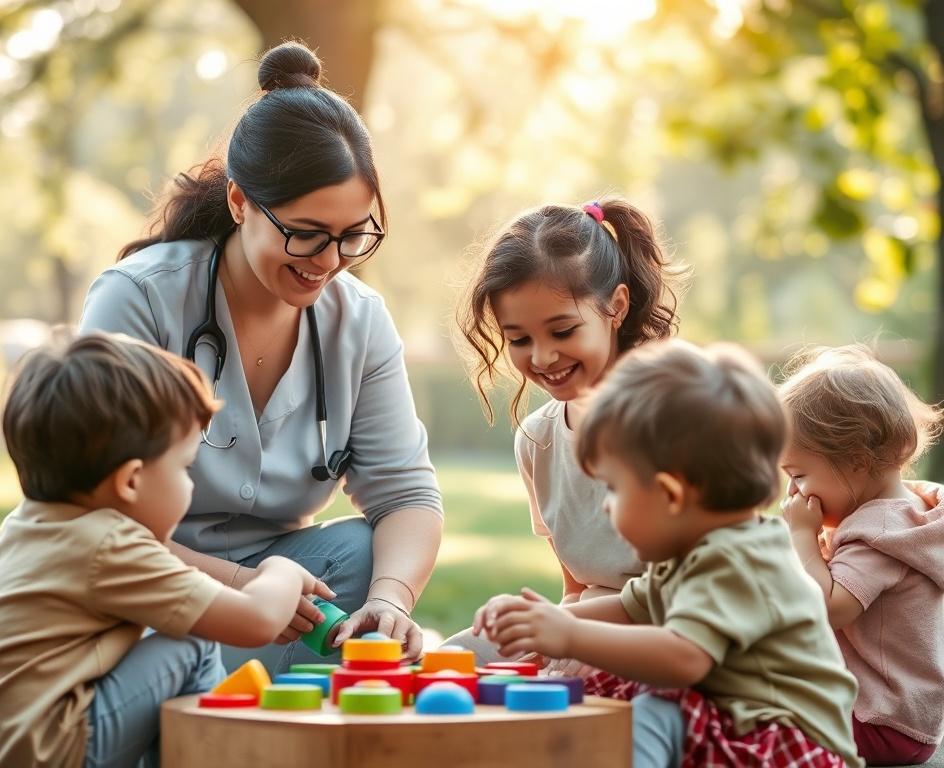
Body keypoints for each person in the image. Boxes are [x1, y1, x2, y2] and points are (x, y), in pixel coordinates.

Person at [79, 41, 443, 674]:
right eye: (305, 233)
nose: (329, 261)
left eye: (352, 235)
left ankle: (237, 693)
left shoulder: (359, 321)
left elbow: (405, 493)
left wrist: (390, 600)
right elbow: (92, 517)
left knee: (364, 554)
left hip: (275, 596)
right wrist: (247, 588)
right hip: (146, 584)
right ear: (240, 202)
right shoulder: (139, 299)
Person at [0, 332, 334, 768]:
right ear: (131, 481)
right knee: (191, 645)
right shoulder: (110, 544)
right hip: (52, 752)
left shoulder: (36, 523)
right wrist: (280, 570)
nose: (189, 485)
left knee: (163, 632)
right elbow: (256, 620)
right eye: (184, 467)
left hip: (5, 750)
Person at [474, 340, 861, 767]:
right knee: (614, 686)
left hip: (787, 745)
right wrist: (545, 619)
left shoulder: (736, 560)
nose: (606, 507)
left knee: (659, 702)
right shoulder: (697, 551)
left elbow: (683, 658)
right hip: (742, 725)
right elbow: (629, 609)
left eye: (614, 489)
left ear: (669, 494)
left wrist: (568, 636)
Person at [445, 198, 686, 670]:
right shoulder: (538, 441)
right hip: (582, 628)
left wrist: (568, 634)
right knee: (456, 659)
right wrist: (548, 636)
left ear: (616, 307)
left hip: (670, 634)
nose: (542, 357)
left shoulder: (672, 420)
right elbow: (574, 589)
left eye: (562, 331)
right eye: (519, 339)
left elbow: (689, 591)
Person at [780, 345, 944, 765]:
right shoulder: (912, 513)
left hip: (873, 720)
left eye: (798, 475)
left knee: (747, 700)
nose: (793, 492)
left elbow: (828, 609)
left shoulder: (880, 534)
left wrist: (801, 535)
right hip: (907, 721)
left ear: (855, 462)